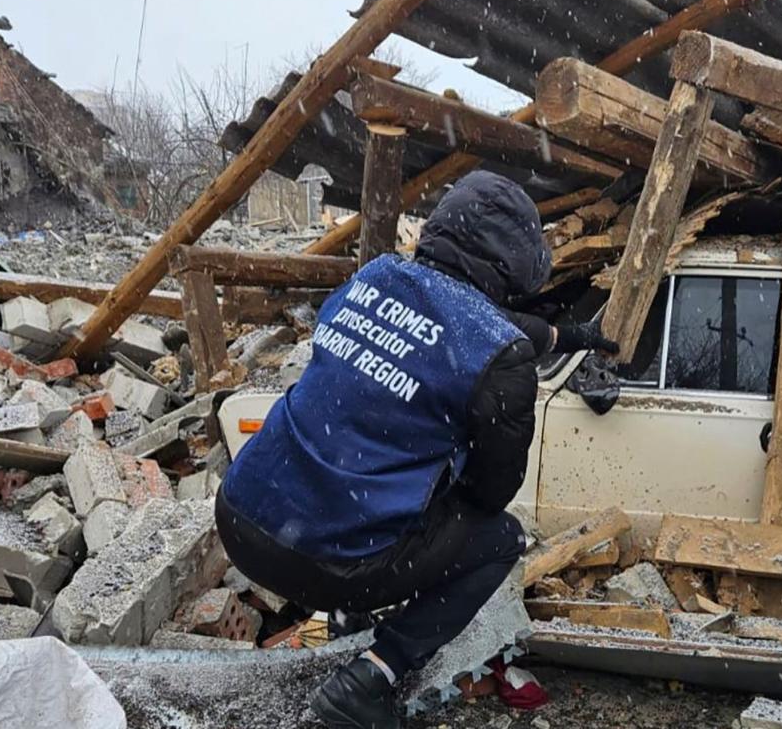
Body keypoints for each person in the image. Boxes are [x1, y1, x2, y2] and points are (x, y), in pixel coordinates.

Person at [215, 171, 616, 729]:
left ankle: (346, 621)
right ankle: (372, 674)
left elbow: (457, 317)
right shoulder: (500, 359)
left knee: (368, 466)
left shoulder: (376, 275)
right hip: (327, 560)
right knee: (498, 537)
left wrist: (566, 336)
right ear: (515, 267)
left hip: (240, 514)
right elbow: (492, 490)